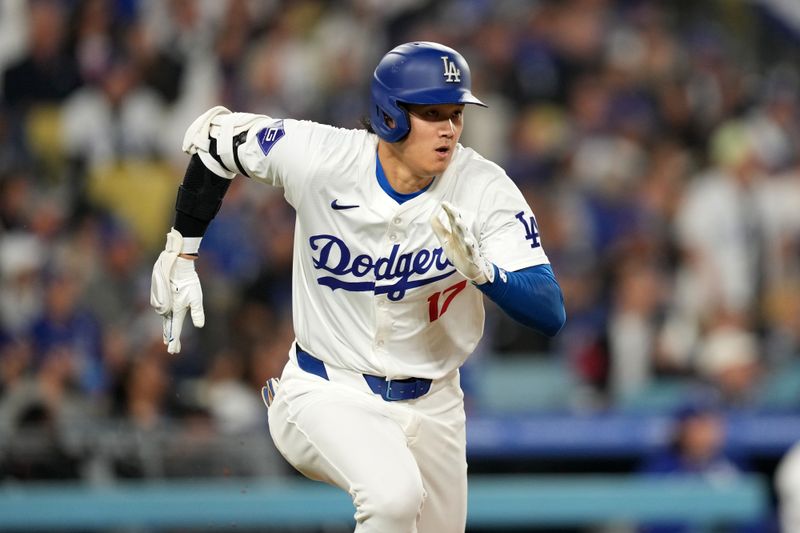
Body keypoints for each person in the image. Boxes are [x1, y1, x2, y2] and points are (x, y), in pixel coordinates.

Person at [150, 41, 565, 532]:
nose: (449, 129)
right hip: (327, 389)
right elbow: (215, 140)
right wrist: (181, 249)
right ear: (390, 115)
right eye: (432, 113)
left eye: (456, 113)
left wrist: (487, 276)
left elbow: (550, 310)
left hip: (435, 404)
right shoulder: (322, 157)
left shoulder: (482, 187)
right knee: (392, 498)